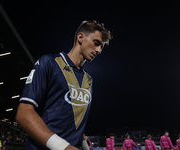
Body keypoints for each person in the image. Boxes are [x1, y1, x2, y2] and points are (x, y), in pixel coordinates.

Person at [16, 20, 111, 150]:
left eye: (101, 47)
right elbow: (23, 113)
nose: (99, 50)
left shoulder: (89, 80)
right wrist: (63, 147)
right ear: (81, 37)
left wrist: (84, 146)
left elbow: (73, 124)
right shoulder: (49, 63)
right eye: (96, 43)